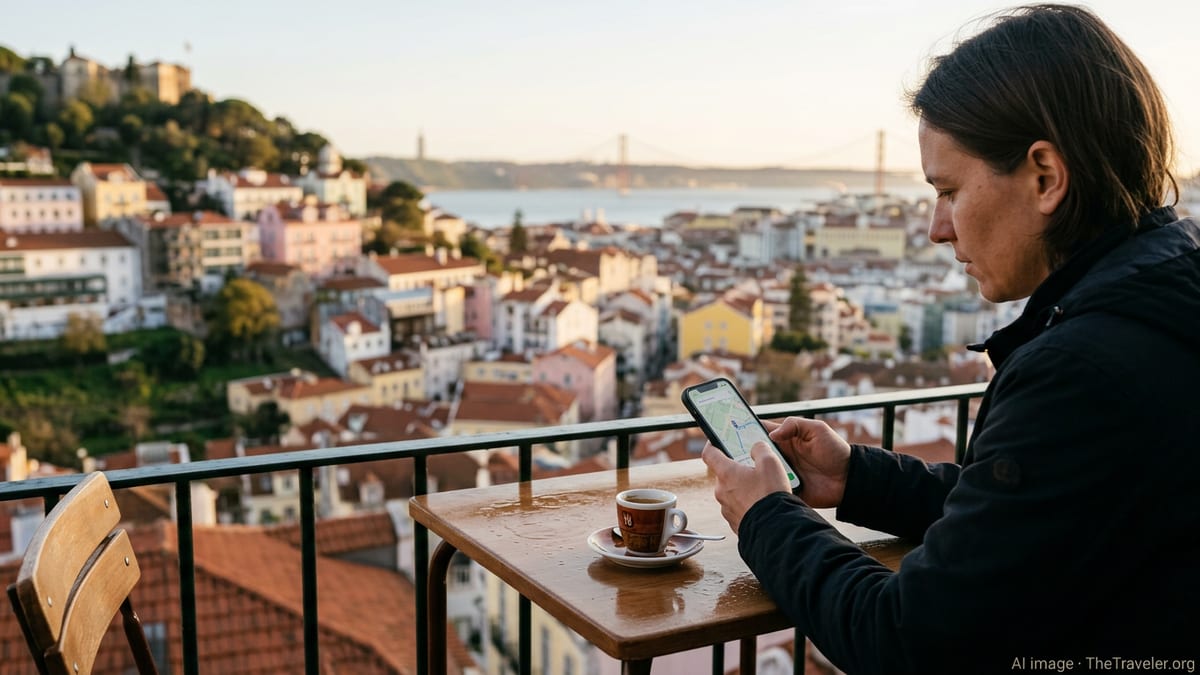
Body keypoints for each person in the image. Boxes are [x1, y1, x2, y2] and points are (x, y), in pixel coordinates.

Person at [701, 4, 1200, 673]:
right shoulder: (1164, 297)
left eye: (949, 190)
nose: (938, 228)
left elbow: (908, 641)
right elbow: (1030, 518)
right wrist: (857, 477)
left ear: (1045, 177)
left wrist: (765, 516)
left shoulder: (1083, 368)